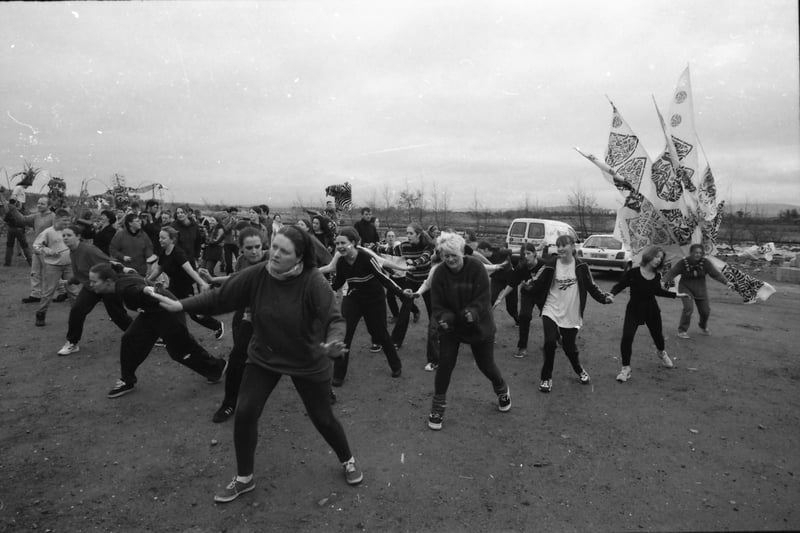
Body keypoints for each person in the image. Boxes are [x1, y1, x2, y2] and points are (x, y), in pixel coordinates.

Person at [148, 225, 364, 502]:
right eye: (273, 247)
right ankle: (244, 478)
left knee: (322, 417)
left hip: (306, 359)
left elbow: (335, 319)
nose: (274, 254)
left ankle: (347, 459)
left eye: (283, 252)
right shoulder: (259, 274)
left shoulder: (312, 281)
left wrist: (334, 343)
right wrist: (182, 306)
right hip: (265, 355)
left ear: (299, 257)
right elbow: (221, 297)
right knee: (246, 411)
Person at [87, 263, 227, 399]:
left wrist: (145, 290)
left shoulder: (125, 289)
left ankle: (218, 367)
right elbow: (116, 265)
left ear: (108, 281)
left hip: (167, 310)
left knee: (180, 351)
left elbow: (137, 290)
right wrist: (123, 267)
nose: (91, 284)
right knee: (130, 339)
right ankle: (127, 380)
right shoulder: (119, 277)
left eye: (94, 281)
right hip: (150, 313)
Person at [426, 232, 511, 431]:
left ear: (462, 252)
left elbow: (483, 298)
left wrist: (472, 313)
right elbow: (437, 304)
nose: (450, 259)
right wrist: (444, 318)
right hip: (452, 326)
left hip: (478, 323)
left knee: (485, 365)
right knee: (445, 364)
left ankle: (501, 388)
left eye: (453, 255)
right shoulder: (439, 273)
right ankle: (437, 408)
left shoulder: (476, 268)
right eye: (445, 255)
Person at [199, 227, 268, 423]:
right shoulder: (242, 262)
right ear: (241, 249)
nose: (254, 251)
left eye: (258, 247)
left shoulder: (272, 260)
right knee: (237, 358)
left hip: (276, 318)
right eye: (249, 248)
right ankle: (229, 403)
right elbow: (235, 279)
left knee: (295, 356)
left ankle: (323, 392)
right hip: (250, 315)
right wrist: (213, 280)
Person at [529, 234, 612, 393]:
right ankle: (546, 377)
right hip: (551, 308)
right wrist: (529, 286)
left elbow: (591, 286)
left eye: (563, 245)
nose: (560, 249)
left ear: (573, 247)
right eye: (558, 245)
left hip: (571, 312)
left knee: (569, 346)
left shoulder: (581, 266)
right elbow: (538, 281)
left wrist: (604, 299)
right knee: (549, 342)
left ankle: (579, 369)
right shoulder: (551, 264)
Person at [330, 227, 405, 385]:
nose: (340, 246)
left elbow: (383, 278)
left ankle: (396, 365)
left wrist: (401, 292)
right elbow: (337, 283)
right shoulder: (342, 262)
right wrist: (320, 284)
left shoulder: (366, 258)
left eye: (343, 243)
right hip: (354, 299)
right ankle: (338, 374)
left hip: (374, 300)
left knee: (380, 334)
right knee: (345, 335)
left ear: (354, 243)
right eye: (337, 243)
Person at [610, 246, 687, 382]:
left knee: (658, 336)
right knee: (627, 337)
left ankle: (661, 352)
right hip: (634, 309)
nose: (658, 260)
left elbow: (657, 291)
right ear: (649, 256)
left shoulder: (657, 276)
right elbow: (620, 285)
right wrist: (612, 294)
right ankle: (625, 369)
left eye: (660, 258)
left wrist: (676, 295)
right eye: (656, 256)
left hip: (651, 310)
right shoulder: (633, 273)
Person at [56, 225, 133, 356]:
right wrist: (69, 281)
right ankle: (72, 343)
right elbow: (81, 272)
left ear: (78, 236)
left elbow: (110, 263)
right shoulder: (72, 252)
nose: (65, 238)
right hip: (91, 287)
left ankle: (142, 334)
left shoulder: (88, 249)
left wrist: (124, 272)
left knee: (117, 315)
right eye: (64, 235)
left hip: (106, 286)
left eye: (69, 235)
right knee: (77, 310)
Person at [146, 226, 224, 339]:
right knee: (166, 309)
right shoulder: (164, 252)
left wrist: (202, 283)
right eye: (159, 237)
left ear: (172, 239)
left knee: (194, 314)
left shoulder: (178, 253)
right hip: (174, 286)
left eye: (163, 238)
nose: (160, 240)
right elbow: (159, 268)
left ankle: (217, 325)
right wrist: (148, 280)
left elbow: (190, 270)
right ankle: (167, 336)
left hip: (185, 287)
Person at [662, 243, 734, 339]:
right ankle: (682, 330)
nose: (698, 254)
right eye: (696, 252)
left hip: (700, 289)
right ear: (691, 253)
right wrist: (663, 281)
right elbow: (672, 272)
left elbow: (716, 274)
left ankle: (703, 326)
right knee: (688, 309)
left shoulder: (706, 263)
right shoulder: (683, 263)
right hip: (685, 288)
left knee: (705, 311)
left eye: (700, 253)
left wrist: (726, 282)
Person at [390, 223, 436, 365]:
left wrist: (413, 262)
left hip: (426, 283)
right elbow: (389, 250)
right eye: (407, 233)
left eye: (410, 233)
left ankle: (438, 339)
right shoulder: (403, 246)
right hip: (410, 280)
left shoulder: (428, 246)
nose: (408, 236)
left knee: (433, 312)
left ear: (418, 234)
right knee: (405, 309)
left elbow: (425, 257)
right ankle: (396, 341)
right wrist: (371, 248)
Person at [493, 243, 545, 358]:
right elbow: (511, 284)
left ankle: (556, 337)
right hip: (527, 294)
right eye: (524, 254)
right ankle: (522, 347)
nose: (526, 256)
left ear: (535, 254)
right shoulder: (521, 268)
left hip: (542, 294)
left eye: (528, 253)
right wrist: (500, 298)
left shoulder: (543, 264)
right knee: (524, 316)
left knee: (548, 317)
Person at [32, 209, 79, 326]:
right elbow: (36, 246)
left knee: (73, 291)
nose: (67, 223)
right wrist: (46, 250)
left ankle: (77, 314)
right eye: (64, 221)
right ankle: (41, 314)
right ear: (57, 219)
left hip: (69, 265)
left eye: (68, 221)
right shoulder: (48, 232)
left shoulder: (69, 231)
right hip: (53, 266)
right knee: (49, 292)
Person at [21, 197, 56, 303]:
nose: (39, 205)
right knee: (34, 272)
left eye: (42, 204)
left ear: (48, 206)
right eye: (38, 203)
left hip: (48, 249)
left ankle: (62, 292)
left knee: (50, 273)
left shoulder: (53, 217)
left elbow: (56, 232)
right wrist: (13, 208)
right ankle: (35, 295)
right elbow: (22, 219)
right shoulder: (36, 216)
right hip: (37, 248)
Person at [476, 242, 518, 327]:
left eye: (481, 251)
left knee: (511, 305)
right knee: (490, 299)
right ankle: (484, 320)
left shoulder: (500, 252)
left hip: (509, 280)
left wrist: (537, 248)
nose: (480, 254)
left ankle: (518, 320)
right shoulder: (482, 259)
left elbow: (514, 251)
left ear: (486, 250)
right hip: (497, 280)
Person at [3, 198, 32, 267]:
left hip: (11, 230)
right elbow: (24, 219)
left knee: (9, 246)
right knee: (25, 246)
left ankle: (7, 263)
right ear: (16, 203)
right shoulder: (19, 211)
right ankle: (30, 262)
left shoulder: (8, 210)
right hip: (20, 230)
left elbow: (5, 220)